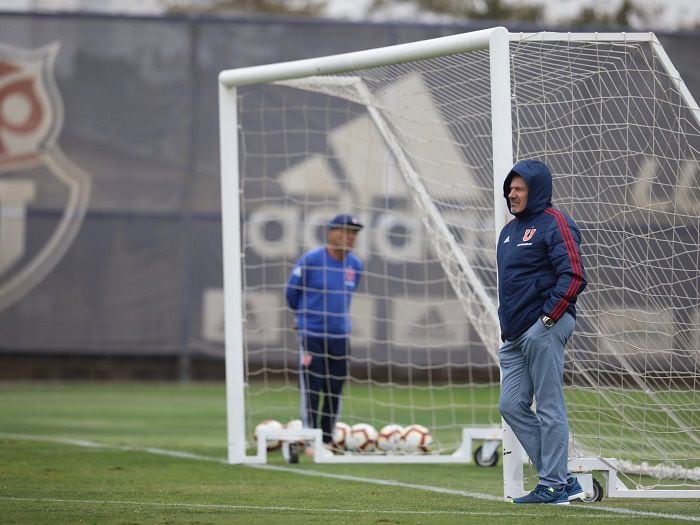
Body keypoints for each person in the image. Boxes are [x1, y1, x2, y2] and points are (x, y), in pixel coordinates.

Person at [496, 159, 587, 505]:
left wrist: (546, 320)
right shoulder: (508, 232)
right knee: (510, 404)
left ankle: (552, 484)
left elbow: (574, 275)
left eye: (519, 188)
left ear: (536, 190)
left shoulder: (555, 223)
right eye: (510, 188)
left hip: (545, 327)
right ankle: (561, 481)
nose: (512, 194)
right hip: (515, 336)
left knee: (549, 406)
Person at [285, 213, 364, 454]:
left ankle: (327, 439)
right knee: (312, 385)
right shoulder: (311, 260)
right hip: (312, 334)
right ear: (331, 232)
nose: (349, 237)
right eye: (344, 231)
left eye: (353, 233)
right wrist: (303, 318)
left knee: (335, 387)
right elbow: (291, 293)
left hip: (340, 335)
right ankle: (310, 438)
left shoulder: (355, 265)